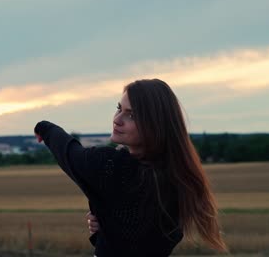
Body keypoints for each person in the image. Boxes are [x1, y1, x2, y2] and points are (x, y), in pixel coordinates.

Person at [34, 79, 227, 256]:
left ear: (155, 125)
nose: (117, 119)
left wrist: (45, 128)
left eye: (132, 115)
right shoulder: (177, 176)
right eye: (119, 108)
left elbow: (71, 154)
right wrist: (107, 227)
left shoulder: (114, 167)